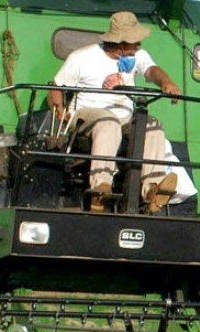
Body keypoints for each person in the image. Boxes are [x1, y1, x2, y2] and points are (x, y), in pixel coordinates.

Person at [47, 11, 180, 213]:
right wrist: (61, 114)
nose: (138, 47)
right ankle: (100, 188)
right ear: (119, 43)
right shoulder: (82, 57)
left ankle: (152, 191)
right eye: (134, 43)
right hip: (88, 115)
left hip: (125, 117)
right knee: (108, 122)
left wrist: (166, 82)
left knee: (152, 125)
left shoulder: (137, 56)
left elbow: (152, 70)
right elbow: (55, 87)